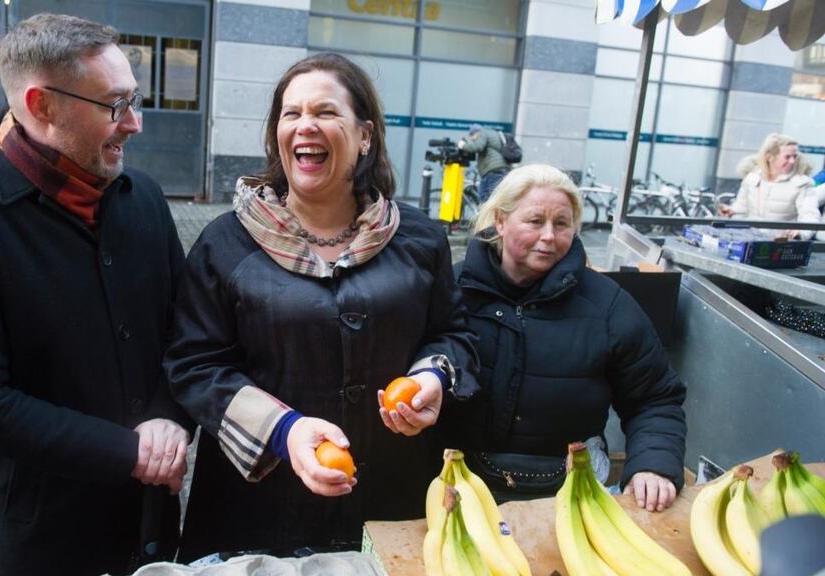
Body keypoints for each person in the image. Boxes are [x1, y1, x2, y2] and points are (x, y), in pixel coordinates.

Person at [164, 52, 478, 562]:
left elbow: (454, 335)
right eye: (291, 114)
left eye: (326, 112)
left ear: (365, 136)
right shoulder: (226, 244)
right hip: (257, 508)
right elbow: (193, 367)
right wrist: (285, 431)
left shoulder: (419, 238)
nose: (306, 125)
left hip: (392, 499)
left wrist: (432, 378)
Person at [0, 13, 191, 575]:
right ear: (43, 105)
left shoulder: (143, 197)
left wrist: (168, 418)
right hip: (44, 534)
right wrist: (128, 451)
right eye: (115, 105)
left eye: (134, 99)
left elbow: (183, 332)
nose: (135, 123)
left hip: (149, 520)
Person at [451, 164, 687, 510]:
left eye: (561, 224)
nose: (549, 236)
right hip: (458, 484)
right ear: (500, 221)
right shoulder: (451, 291)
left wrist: (653, 464)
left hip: (573, 489)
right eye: (535, 221)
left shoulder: (608, 306)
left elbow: (654, 398)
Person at [720, 133, 819, 240]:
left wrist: (800, 233)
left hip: (780, 246)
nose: (792, 161)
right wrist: (731, 212)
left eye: (795, 156)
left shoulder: (802, 184)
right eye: (787, 157)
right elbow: (741, 210)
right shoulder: (752, 178)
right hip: (749, 241)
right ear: (770, 157)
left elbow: (810, 215)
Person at [459, 123, 511, 204]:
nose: (472, 139)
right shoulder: (492, 133)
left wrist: (463, 146)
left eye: (472, 135)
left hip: (493, 172)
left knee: (486, 200)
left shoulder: (483, 133)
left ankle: (488, 216)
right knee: (491, 199)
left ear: (475, 132)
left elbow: (477, 147)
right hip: (498, 170)